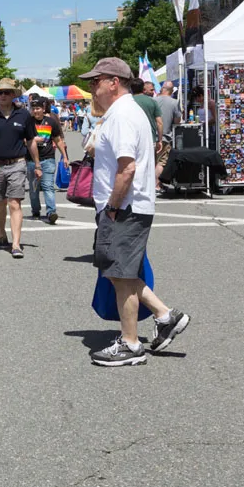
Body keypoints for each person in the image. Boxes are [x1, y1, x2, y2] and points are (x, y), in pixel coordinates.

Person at [80, 58, 190, 367]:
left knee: (120, 274)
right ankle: (165, 316)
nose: (92, 88)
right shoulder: (123, 112)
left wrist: (113, 207)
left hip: (125, 207)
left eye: (96, 81)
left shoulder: (123, 114)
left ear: (113, 82)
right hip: (129, 206)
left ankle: (130, 343)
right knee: (123, 272)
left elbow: (126, 168)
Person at [0, 78, 39, 259]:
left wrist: (37, 164)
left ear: (13, 95)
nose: (3, 95)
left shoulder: (24, 115)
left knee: (15, 203)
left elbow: (31, 141)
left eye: (7, 92)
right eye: (0, 92)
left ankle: (16, 244)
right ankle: (1, 232)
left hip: (17, 163)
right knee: (0, 203)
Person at [27, 96, 68, 224]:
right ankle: (35, 210)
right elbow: (22, 139)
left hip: (48, 158)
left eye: (38, 108)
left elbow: (58, 140)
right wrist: (33, 140)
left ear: (43, 109)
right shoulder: (27, 122)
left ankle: (51, 212)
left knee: (48, 186)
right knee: (34, 188)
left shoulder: (51, 122)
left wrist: (65, 156)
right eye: (33, 108)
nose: (35, 111)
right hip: (31, 160)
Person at [154, 81, 182, 188]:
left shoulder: (154, 100)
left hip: (152, 136)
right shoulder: (174, 102)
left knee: (152, 161)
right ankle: (156, 185)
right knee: (161, 162)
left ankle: (152, 184)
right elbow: (177, 121)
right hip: (165, 136)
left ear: (162, 89)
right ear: (171, 91)